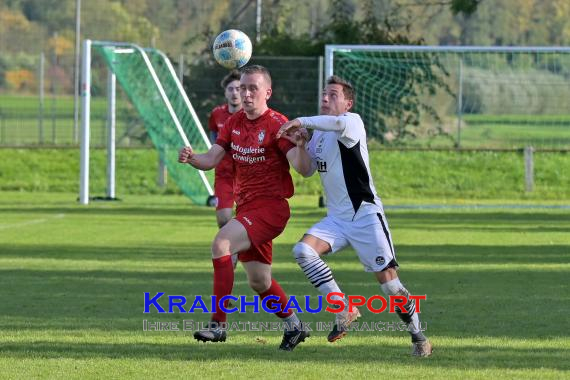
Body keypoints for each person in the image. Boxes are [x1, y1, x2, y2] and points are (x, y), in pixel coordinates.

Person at [276, 75, 433, 357]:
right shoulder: (319, 134)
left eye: (333, 94)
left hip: (365, 216)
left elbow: (333, 123)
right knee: (303, 250)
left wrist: (300, 120)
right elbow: (306, 170)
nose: (326, 98)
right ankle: (343, 307)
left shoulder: (351, 121)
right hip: (336, 219)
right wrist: (300, 145)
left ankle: (418, 335)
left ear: (347, 103)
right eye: (324, 93)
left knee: (391, 286)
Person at [178, 65, 313, 351]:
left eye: (253, 88)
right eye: (243, 88)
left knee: (221, 243)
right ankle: (295, 326)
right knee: (259, 281)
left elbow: (304, 170)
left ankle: (217, 326)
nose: (246, 93)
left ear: (267, 92)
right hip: (247, 209)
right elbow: (212, 159)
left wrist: (301, 146)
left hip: (271, 209)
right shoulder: (233, 122)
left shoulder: (278, 124)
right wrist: (192, 158)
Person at [208, 70, 241, 230]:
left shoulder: (251, 115)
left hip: (247, 175)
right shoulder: (217, 114)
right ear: (225, 92)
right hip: (224, 175)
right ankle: (229, 253)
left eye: (238, 89)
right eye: (231, 89)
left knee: (249, 221)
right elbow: (213, 137)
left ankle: (243, 250)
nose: (235, 93)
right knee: (223, 221)